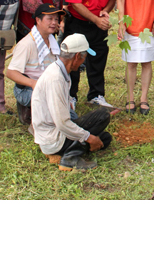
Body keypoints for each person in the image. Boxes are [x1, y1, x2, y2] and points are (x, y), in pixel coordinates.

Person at [31, 34, 113, 171]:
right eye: (84, 58)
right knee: (102, 115)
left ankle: (67, 151)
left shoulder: (60, 71)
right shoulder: (55, 78)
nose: (83, 62)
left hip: (55, 133)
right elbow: (62, 122)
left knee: (105, 138)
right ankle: (70, 158)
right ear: (77, 57)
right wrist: (88, 137)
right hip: (53, 137)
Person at [62, 0, 117, 108]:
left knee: (98, 58)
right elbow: (75, 3)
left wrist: (105, 12)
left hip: (99, 25)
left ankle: (96, 95)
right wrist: (95, 19)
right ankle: (71, 96)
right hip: (78, 24)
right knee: (73, 59)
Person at [6, 3, 66, 126]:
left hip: (47, 87)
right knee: (54, 107)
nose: (54, 22)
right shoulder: (27, 44)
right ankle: (30, 113)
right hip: (27, 89)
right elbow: (10, 73)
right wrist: (33, 83)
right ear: (38, 20)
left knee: (65, 108)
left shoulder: (52, 41)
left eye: (56, 19)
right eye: (49, 19)